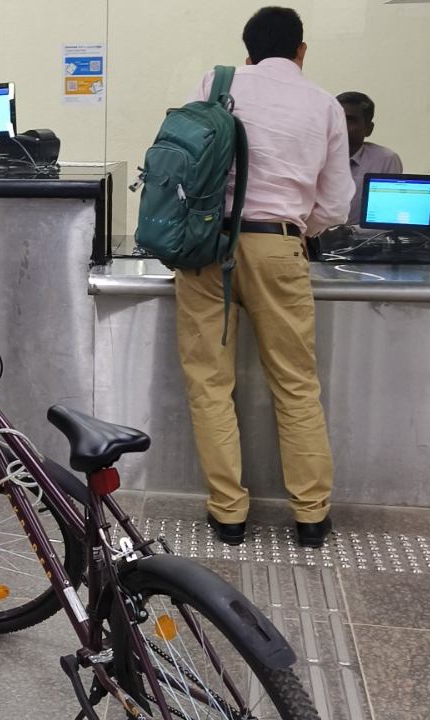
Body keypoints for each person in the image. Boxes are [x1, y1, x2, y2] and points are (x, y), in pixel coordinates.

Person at [178, 6, 353, 548]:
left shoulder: (217, 84)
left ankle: (229, 515)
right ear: (301, 51)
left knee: (210, 382)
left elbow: (190, 162)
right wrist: (297, 226)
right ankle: (310, 516)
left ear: (246, 52)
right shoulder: (325, 105)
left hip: (209, 247)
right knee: (296, 384)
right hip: (280, 245)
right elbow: (337, 205)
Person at [337, 91, 404, 226]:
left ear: (368, 129)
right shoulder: (312, 154)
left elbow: (387, 216)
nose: (340, 126)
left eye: (350, 120)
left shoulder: (385, 159)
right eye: (336, 118)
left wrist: (350, 232)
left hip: (360, 240)